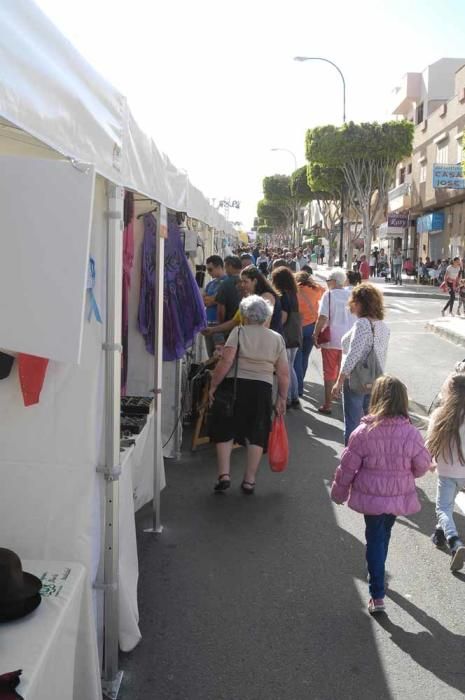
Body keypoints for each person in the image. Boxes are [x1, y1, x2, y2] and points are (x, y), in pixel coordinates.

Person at [330, 375, 431, 614]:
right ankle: (377, 572)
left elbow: (347, 467)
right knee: (384, 534)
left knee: (374, 537)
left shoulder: (363, 431)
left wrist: (339, 493)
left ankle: (377, 593)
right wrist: (408, 475)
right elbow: (423, 465)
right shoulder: (411, 434)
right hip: (398, 495)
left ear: (376, 398)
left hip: (371, 497)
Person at [208, 295, 289, 494]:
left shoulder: (239, 331)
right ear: (266, 316)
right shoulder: (277, 338)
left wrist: (213, 385)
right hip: (262, 388)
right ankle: (249, 480)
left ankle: (224, 475)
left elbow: (226, 362)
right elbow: (284, 373)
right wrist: (282, 398)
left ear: (245, 315)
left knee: (225, 427)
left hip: (234, 385)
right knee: (257, 432)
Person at [332, 283, 390, 444]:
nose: (351, 305)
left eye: (354, 302)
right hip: (376, 379)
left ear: (360, 303)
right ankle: (370, 457)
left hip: (357, 379)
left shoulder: (362, 324)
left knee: (353, 423)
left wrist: (339, 380)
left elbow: (353, 354)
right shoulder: (383, 327)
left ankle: (350, 458)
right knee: (372, 423)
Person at [427, 373, 465, 570]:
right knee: (448, 505)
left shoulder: (439, 415)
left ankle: (454, 541)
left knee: (443, 508)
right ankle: (439, 534)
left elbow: (430, 443)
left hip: (447, 471)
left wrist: (428, 461)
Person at [313, 269, 355, 415]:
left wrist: (315, 333)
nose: (327, 283)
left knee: (329, 372)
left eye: (328, 280)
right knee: (346, 370)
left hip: (332, 339)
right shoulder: (352, 295)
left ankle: (328, 404)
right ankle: (345, 401)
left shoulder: (329, 295)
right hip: (349, 339)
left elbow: (322, 317)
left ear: (333, 281)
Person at [272, 266, 302, 408]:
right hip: (295, 333)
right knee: (291, 366)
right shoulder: (293, 293)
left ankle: (289, 397)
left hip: (286, 334)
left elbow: (283, 317)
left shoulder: (283, 295)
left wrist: (277, 330)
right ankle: (294, 395)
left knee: (286, 367)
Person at [294, 272, 324, 397]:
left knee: (297, 357)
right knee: (305, 356)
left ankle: (299, 387)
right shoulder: (316, 290)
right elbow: (324, 290)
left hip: (298, 327)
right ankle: (302, 380)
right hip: (312, 326)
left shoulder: (295, 291)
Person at [202, 255, 227, 356]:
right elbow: (204, 301)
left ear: (219, 267)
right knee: (210, 356)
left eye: (210, 269)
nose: (208, 272)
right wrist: (212, 299)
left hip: (219, 326)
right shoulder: (210, 284)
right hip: (208, 324)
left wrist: (211, 299)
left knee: (219, 357)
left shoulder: (226, 283)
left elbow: (212, 301)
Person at [215, 255, 242, 323]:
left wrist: (221, 325)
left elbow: (221, 310)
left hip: (229, 325)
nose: (225, 270)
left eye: (225, 267)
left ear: (230, 266)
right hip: (246, 324)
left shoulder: (225, 284)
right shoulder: (249, 280)